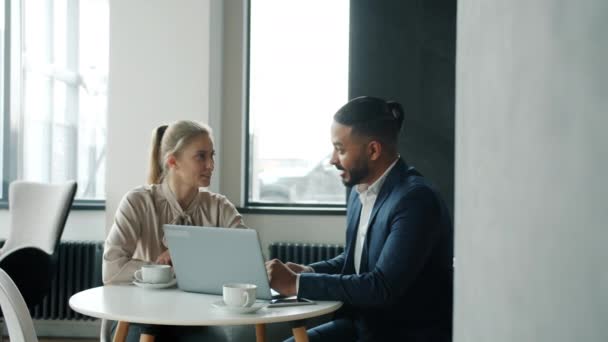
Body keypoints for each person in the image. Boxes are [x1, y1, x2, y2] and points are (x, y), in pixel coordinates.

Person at [266, 96, 454, 341]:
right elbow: (355, 260)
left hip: (401, 334)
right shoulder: (360, 191)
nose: (333, 159)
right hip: (362, 327)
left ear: (373, 150)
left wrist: (297, 284)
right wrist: (308, 270)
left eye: (340, 149)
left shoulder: (416, 200)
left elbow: (382, 286)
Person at [103, 120, 246, 341]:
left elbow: (247, 261)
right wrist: (161, 268)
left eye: (212, 155)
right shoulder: (138, 202)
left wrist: (192, 255)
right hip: (137, 316)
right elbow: (112, 270)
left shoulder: (220, 207)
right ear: (173, 161)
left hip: (194, 318)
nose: (211, 165)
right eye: (201, 156)